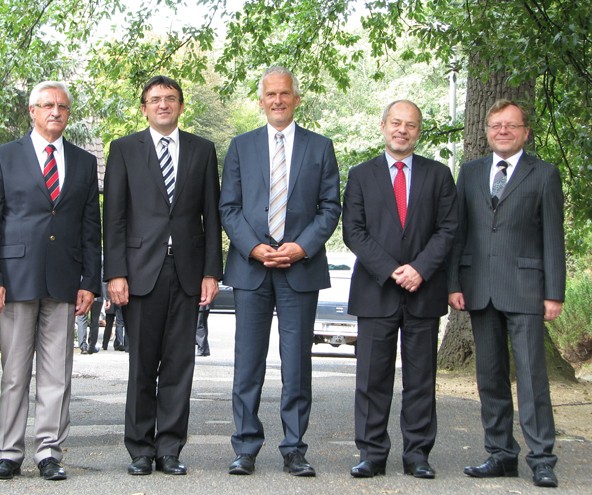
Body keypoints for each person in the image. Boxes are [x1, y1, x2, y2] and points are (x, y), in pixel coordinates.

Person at [220, 66, 341, 477]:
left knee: (297, 365)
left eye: (284, 94)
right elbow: (229, 208)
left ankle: (294, 449)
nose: (277, 100)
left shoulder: (320, 147)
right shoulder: (241, 146)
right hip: (251, 269)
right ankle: (246, 447)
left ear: (296, 99)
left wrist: (301, 246)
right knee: (247, 364)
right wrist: (254, 247)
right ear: (261, 100)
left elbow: (330, 208)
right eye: (270, 94)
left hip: (299, 269)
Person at [0, 81, 101, 481]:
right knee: (14, 372)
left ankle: (49, 450)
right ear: (32, 111)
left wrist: (90, 281)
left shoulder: (83, 162)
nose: (55, 112)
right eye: (47, 105)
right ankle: (9, 452)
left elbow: (89, 227)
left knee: (57, 373)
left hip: (65, 281)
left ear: (69, 113)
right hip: (15, 279)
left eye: (62, 107)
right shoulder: (4, 157)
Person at [103, 75, 222, 476]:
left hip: (187, 272)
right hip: (139, 274)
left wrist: (211, 271)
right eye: (155, 99)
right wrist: (115, 272)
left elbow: (212, 214)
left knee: (178, 364)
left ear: (181, 106)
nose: (163, 105)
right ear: (144, 108)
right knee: (141, 363)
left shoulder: (203, 151)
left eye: (170, 99)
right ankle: (139, 449)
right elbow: (114, 217)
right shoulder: (123, 150)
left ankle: (169, 448)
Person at [448, 99, 565, 488]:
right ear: (486, 131)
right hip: (479, 290)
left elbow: (553, 237)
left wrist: (555, 293)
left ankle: (542, 458)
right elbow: (458, 232)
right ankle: (500, 454)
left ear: (525, 132)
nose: (503, 131)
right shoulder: (469, 172)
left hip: (526, 291)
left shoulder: (544, 174)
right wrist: (453, 283)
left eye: (511, 125)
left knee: (532, 379)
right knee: (490, 377)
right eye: (496, 125)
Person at [342, 100, 458, 480]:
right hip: (376, 290)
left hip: (423, 291)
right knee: (372, 379)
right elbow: (353, 231)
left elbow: (448, 229)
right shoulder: (361, 175)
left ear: (418, 131)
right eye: (396, 123)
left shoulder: (439, 175)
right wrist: (393, 270)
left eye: (410, 125)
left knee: (420, 378)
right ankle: (372, 453)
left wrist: (419, 269)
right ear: (383, 126)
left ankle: (418, 454)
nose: (402, 130)